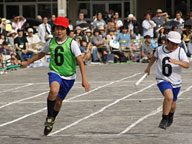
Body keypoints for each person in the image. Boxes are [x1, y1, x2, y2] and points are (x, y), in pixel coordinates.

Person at [20, 17, 90, 136]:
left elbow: (80, 61)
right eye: (57, 28)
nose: (59, 31)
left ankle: (53, 119)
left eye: (62, 29)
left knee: (58, 102)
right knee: (53, 90)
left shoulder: (72, 43)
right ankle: (49, 116)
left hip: (69, 76)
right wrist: (27, 62)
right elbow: (40, 54)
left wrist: (84, 79)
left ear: (66, 30)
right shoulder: (51, 42)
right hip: (55, 72)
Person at [144, 31, 190, 129]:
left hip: (176, 81)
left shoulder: (180, 51)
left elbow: (187, 65)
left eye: (177, 44)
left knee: (172, 104)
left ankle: (171, 115)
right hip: (162, 79)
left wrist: (177, 62)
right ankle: (164, 119)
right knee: (169, 97)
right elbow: (154, 58)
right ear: (167, 42)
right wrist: (148, 68)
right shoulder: (159, 50)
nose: (175, 46)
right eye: (173, 43)